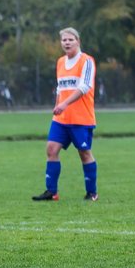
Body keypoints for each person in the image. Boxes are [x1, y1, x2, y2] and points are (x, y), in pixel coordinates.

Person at [32, 27, 98, 201]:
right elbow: (60, 88)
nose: (67, 42)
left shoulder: (87, 61)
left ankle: (92, 193)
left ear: (78, 41)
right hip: (61, 118)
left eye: (70, 39)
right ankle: (51, 192)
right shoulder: (60, 62)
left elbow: (84, 87)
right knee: (51, 149)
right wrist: (57, 107)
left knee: (84, 153)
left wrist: (65, 104)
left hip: (81, 118)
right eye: (64, 40)